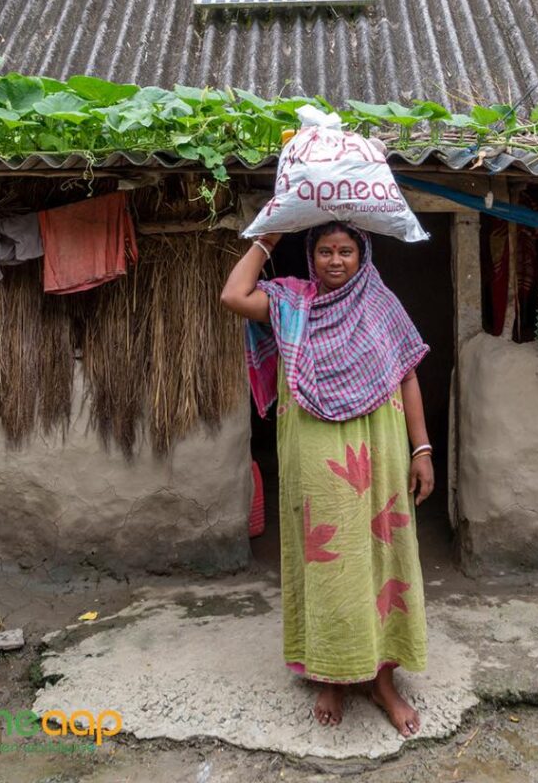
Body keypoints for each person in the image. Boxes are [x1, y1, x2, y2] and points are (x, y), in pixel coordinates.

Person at [221, 222, 434, 737]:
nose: (335, 260)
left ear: (363, 255)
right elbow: (232, 294)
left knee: (381, 553)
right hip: (314, 447)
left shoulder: (382, 303)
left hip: (379, 444)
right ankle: (331, 674)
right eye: (324, 251)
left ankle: (383, 679)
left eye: (345, 251)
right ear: (309, 255)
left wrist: (421, 448)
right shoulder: (290, 302)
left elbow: (406, 373)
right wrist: (267, 239)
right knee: (328, 558)